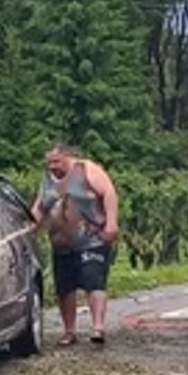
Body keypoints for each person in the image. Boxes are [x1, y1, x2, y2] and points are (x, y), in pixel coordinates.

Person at [36, 143, 121, 346]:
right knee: (65, 288)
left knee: (94, 281)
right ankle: (69, 331)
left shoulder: (87, 170)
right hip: (61, 244)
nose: (52, 167)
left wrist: (111, 223)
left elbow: (109, 193)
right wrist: (32, 226)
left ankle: (98, 327)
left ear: (67, 156)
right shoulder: (47, 180)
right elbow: (40, 207)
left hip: (92, 239)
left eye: (56, 161)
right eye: (49, 163)